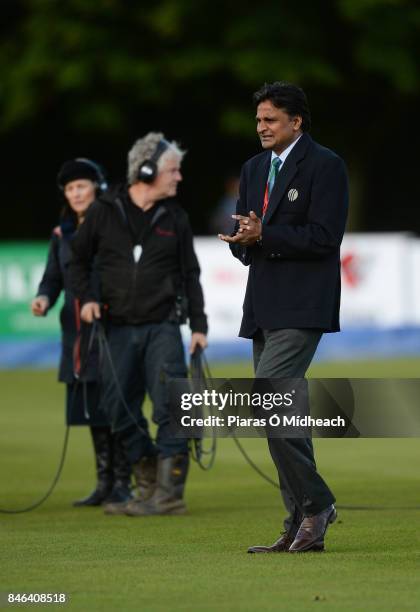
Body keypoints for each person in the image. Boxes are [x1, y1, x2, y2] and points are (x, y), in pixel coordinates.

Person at [219, 82, 349, 553]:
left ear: (296, 121)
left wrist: (264, 234)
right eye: (258, 120)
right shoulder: (253, 169)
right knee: (281, 411)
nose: (262, 128)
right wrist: (242, 240)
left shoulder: (326, 165)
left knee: (268, 402)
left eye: (270, 120)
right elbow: (246, 234)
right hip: (263, 305)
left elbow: (325, 237)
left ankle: (316, 505)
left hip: (303, 304)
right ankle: (300, 520)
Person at [70, 133, 208, 516]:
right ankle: (148, 475)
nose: (179, 177)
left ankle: (168, 494)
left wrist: (199, 325)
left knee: (172, 406)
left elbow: (190, 274)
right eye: (173, 170)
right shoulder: (103, 211)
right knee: (116, 407)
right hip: (115, 327)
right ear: (146, 171)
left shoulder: (175, 217)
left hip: (163, 325)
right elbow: (77, 261)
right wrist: (88, 299)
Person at [32, 158, 132, 508]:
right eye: (70, 188)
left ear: (97, 189)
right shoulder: (61, 233)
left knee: (116, 403)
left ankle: (124, 481)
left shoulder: (115, 226)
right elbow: (52, 277)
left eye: (81, 186)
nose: (75, 193)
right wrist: (44, 297)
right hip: (75, 333)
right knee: (90, 408)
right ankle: (104, 481)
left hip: (111, 328)